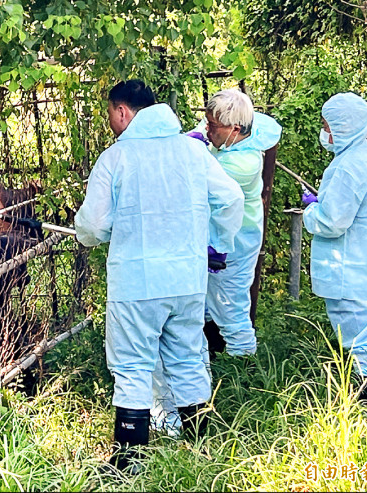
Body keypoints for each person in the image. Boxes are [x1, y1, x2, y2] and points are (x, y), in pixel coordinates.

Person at [74, 79, 244, 472]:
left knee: (132, 367)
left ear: (121, 111)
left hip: (136, 284)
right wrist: (216, 241)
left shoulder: (117, 158)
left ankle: (129, 463)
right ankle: (201, 455)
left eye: (110, 114)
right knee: (186, 360)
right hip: (186, 281)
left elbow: (94, 226)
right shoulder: (192, 151)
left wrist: (94, 234)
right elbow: (233, 199)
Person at [151, 89, 282, 436]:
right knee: (205, 308)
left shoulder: (241, 162)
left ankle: (245, 375)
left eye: (214, 126)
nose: (207, 130)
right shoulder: (238, 131)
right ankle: (214, 370)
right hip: (214, 237)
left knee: (233, 308)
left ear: (236, 129)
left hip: (235, 242)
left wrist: (195, 146)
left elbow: (213, 185)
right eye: (206, 123)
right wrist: (201, 135)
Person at [302, 92, 367, 402]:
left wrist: (312, 210)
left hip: (350, 273)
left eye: (326, 125)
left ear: (342, 127)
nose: (324, 132)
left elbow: (332, 222)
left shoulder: (347, 167)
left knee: (362, 343)